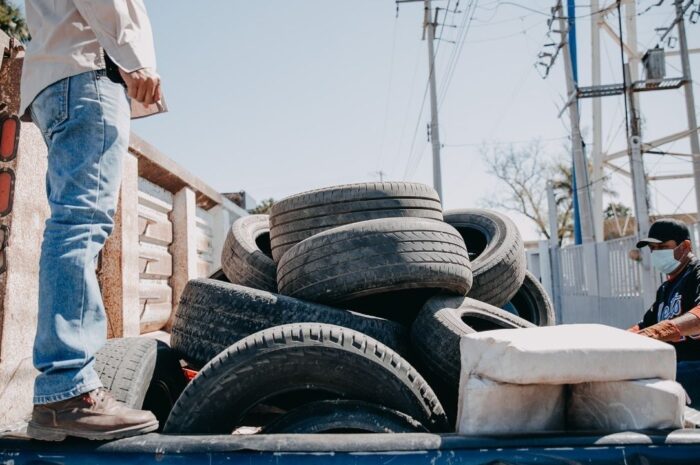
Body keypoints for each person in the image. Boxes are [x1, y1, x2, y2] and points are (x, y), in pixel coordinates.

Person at [20, 1, 163, 441]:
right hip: (87, 71)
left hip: (58, 76)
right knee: (79, 226)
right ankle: (67, 392)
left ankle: (63, 391)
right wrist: (134, 58)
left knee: (72, 225)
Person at [632, 218, 700, 407]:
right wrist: (614, 342)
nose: (656, 253)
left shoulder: (696, 274)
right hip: (678, 371)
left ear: (685, 246)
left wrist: (656, 333)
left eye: (662, 247)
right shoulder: (665, 289)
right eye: (652, 249)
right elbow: (644, 327)